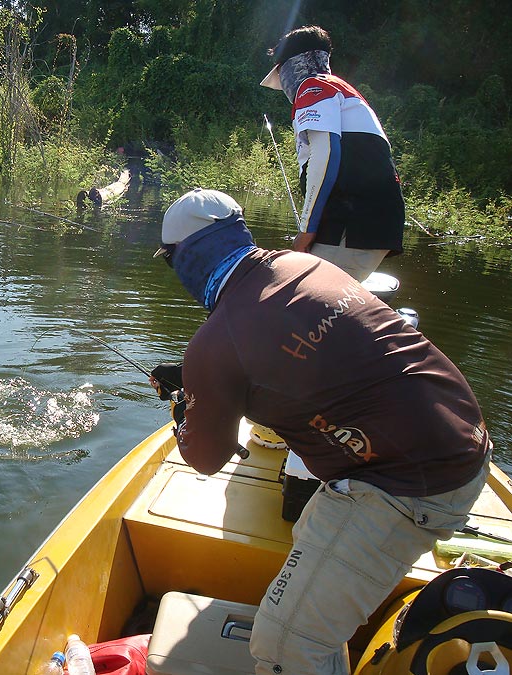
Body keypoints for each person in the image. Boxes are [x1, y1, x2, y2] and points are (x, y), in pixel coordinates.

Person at [151, 188, 491, 675]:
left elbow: (207, 458)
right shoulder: (307, 266)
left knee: (283, 644)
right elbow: (297, 360)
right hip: (464, 432)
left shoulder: (214, 345)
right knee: (312, 575)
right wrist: (199, 378)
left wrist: (185, 406)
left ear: (186, 258)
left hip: (409, 483)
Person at [260, 26, 405, 282]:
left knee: (299, 301)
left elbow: (324, 156)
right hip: (370, 224)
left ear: (292, 67)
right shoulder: (345, 91)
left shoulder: (313, 88)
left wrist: (307, 228)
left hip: (350, 226)